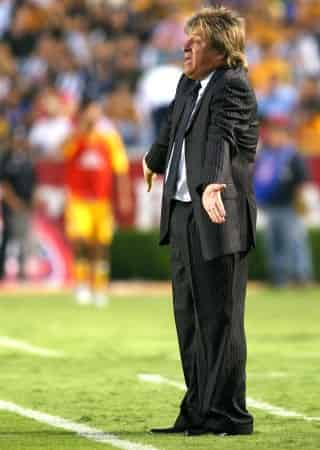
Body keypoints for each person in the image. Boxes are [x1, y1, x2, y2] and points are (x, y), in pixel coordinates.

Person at [143, 6, 259, 436]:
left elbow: (221, 138)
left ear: (220, 48)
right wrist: (154, 159)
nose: (185, 45)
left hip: (218, 213)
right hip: (185, 213)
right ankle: (196, 411)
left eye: (195, 39)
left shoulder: (233, 86)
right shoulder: (189, 84)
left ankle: (228, 415)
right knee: (190, 319)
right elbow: (173, 127)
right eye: (186, 37)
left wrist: (212, 182)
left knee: (220, 319)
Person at [63, 102, 131, 307]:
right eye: (90, 111)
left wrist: (124, 195)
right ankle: (82, 285)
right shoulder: (76, 136)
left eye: (96, 111)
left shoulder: (109, 138)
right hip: (79, 201)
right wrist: (79, 130)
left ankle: (100, 288)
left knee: (100, 245)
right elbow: (62, 151)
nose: (93, 115)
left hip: (102, 202)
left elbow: (120, 168)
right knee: (81, 241)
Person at [254, 118, 313, 286]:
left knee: (292, 243)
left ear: (284, 135)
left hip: (289, 207)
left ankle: (299, 277)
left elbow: (302, 182)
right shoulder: (266, 155)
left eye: (276, 133)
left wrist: (301, 203)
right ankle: (278, 278)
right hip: (270, 206)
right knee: (272, 244)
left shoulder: (292, 155)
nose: (273, 137)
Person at [0, 126, 37, 280]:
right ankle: (1, 270)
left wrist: (32, 201)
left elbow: (34, 182)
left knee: (25, 237)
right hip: (10, 205)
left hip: (26, 205)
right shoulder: (6, 160)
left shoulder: (27, 159)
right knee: (9, 236)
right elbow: (3, 183)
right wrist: (13, 201)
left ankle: (23, 271)